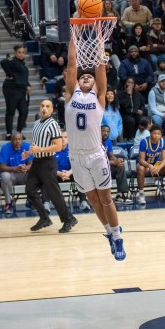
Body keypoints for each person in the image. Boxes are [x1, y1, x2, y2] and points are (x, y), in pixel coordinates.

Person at [64, 39, 124, 259]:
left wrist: (98, 35)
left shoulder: (99, 99)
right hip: (76, 157)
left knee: (105, 198)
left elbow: (100, 68)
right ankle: (108, 232)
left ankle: (118, 237)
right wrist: (73, 33)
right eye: (82, 76)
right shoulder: (71, 96)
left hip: (95, 155)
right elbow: (72, 63)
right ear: (77, 82)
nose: (85, 76)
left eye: (89, 76)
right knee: (92, 200)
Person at [24, 100, 77, 233]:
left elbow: (58, 146)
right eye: (42, 106)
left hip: (48, 162)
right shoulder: (36, 123)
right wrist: (29, 152)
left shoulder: (53, 124)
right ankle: (44, 217)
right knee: (30, 190)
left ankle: (68, 219)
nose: (44, 108)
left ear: (52, 110)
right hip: (37, 162)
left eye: (47, 106)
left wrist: (39, 149)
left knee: (54, 193)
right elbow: (35, 144)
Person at [136, 125, 165, 203]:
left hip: (156, 165)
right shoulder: (144, 142)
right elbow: (141, 160)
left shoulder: (163, 141)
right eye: (155, 133)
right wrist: (149, 166)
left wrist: (159, 167)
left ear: (161, 134)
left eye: (159, 134)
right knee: (141, 168)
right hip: (144, 165)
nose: (157, 135)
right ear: (150, 133)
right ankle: (141, 193)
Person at [55, 129, 91, 211]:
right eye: (61, 137)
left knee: (80, 174)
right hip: (56, 174)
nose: (63, 139)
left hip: (70, 174)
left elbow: (78, 165)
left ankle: (83, 202)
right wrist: (60, 173)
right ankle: (46, 203)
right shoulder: (52, 149)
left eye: (65, 137)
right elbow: (49, 168)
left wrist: (68, 173)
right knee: (46, 176)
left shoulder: (73, 149)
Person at [1, 45, 31, 139]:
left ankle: (18, 133)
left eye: (23, 52)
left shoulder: (22, 63)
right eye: (19, 52)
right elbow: (3, 62)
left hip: (21, 90)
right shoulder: (12, 60)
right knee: (11, 111)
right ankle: (9, 134)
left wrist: (28, 85)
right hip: (11, 90)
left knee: (24, 111)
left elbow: (23, 76)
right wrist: (9, 74)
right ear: (15, 53)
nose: (21, 54)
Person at [0, 132, 32, 214]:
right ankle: (8, 203)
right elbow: (1, 167)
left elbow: (31, 164)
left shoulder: (27, 146)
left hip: (23, 174)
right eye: (15, 139)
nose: (18, 141)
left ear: (22, 140)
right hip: (11, 174)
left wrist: (26, 168)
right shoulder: (5, 148)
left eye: (19, 139)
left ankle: (31, 200)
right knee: (5, 176)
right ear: (11, 140)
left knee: (34, 173)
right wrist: (14, 169)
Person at [101, 125, 131, 203]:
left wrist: (117, 160)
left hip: (106, 166)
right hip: (96, 168)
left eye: (107, 132)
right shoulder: (95, 142)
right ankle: (104, 196)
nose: (105, 133)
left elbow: (110, 155)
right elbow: (96, 161)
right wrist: (113, 162)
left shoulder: (108, 141)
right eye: (103, 131)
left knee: (120, 167)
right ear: (99, 131)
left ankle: (121, 195)